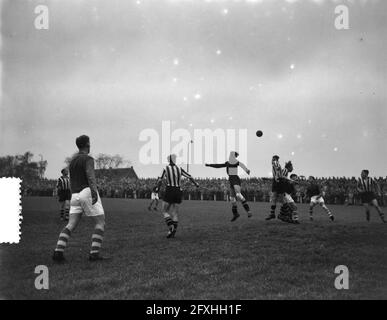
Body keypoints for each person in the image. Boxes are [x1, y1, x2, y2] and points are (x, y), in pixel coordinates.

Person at [52, 135, 108, 262]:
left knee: (70, 224)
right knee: (100, 222)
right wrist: (94, 192)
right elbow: (90, 176)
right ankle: (94, 254)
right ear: (87, 144)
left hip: (75, 195)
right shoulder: (88, 159)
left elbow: (72, 180)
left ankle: (58, 252)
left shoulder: (72, 161)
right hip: (86, 191)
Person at [157, 154, 199, 238]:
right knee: (175, 213)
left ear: (168, 160)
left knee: (165, 211)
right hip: (178, 191)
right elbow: (189, 176)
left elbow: (160, 180)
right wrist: (196, 184)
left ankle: (171, 226)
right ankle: (172, 232)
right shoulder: (179, 169)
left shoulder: (165, 168)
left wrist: (158, 188)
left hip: (169, 189)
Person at [205, 151, 252, 222]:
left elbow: (242, 165)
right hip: (231, 180)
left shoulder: (236, 162)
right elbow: (218, 166)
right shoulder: (227, 163)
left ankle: (248, 211)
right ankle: (236, 214)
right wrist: (209, 165)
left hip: (235, 179)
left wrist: (247, 170)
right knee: (232, 198)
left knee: (238, 195)